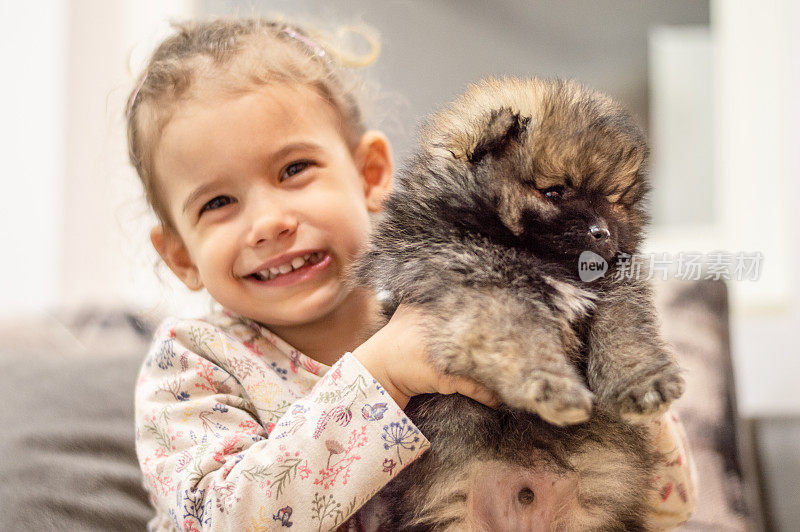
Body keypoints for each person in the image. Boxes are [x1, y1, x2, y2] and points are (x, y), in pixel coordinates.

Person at [127, 17, 695, 531]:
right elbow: (214, 521)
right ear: (181, 255)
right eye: (219, 203)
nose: (269, 223)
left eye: (294, 169)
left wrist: (608, 360)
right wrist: (383, 375)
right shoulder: (193, 364)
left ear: (371, 175)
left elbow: (668, 503)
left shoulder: (446, 301)